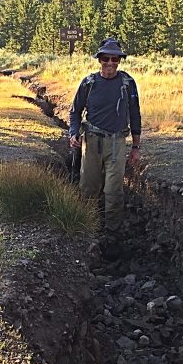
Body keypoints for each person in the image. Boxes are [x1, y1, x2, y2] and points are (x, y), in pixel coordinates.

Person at [68, 38, 142, 237]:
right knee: (88, 188)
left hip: (117, 143)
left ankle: (112, 234)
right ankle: (86, 232)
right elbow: (75, 112)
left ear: (119, 60)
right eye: (106, 59)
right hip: (91, 142)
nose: (110, 63)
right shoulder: (89, 83)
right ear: (99, 59)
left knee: (114, 192)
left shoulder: (127, 83)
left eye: (114, 59)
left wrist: (136, 147)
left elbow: (135, 114)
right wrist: (73, 133)